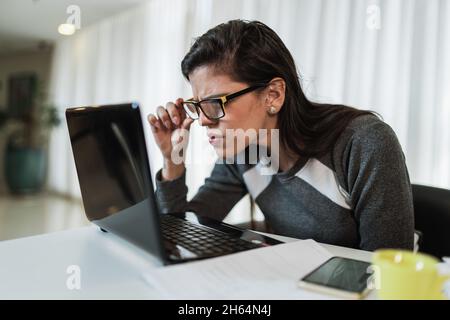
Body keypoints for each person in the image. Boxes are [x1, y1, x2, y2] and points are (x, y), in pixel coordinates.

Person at [147, 20, 414, 251]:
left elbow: (384, 270)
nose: (204, 120)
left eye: (216, 103)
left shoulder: (362, 143)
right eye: (198, 106)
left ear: (273, 95)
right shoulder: (245, 152)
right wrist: (173, 161)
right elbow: (180, 231)